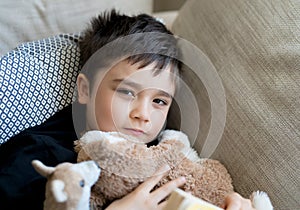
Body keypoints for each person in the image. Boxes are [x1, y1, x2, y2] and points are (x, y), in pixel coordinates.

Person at [0, 10, 255, 210]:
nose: (142, 115)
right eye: (126, 92)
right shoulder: (37, 155)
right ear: (85, 90)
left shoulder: (161, 154)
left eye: (159, 101)